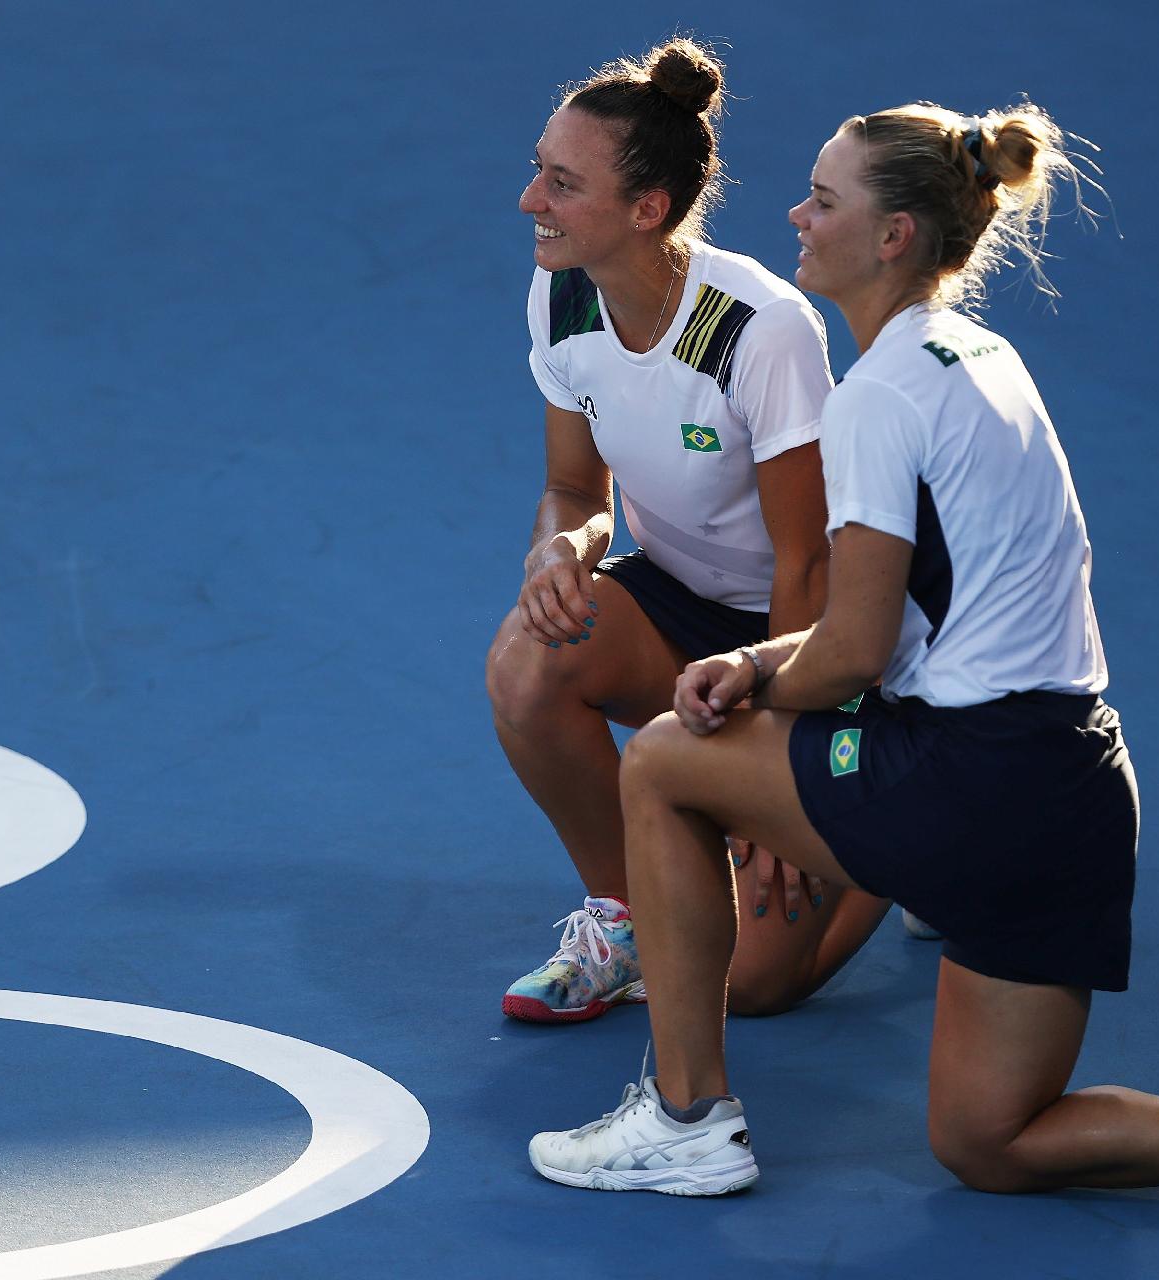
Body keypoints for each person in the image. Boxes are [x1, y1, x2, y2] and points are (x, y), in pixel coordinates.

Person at [525, 99, 1159, 1251]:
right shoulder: (988, 360)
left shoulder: (875, 398)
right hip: (1080, 795)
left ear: (894, 234)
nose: (797, 216)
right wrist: (760, 662)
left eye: (824, 199)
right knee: (988, 1138)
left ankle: (686, 1118)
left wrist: (745, 688)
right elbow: (919, 613)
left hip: (968, 782)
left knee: (662, 759)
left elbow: (852, 652)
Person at [489, 38, 892, 1024]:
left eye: (559, 181)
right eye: (538, 169)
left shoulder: (760, 328)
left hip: (812, 639)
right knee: (528, 662)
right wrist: (563, 546)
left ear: (647, 209)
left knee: (748, 984)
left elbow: (807, 562)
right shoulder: (564, 290)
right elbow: (572, 485)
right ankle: (626, 915)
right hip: (680, 601)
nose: (528, 200)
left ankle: (900, 845)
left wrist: (779, 766)